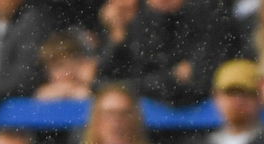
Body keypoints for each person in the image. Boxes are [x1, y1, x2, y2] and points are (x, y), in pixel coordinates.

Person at [98, 0, 241, 107]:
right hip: (144, 123)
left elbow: (201, 81)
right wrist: (117, 37)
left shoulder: (211, 18)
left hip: (204, 122)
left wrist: (151, 83)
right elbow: (106, 84)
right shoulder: (136, 25)